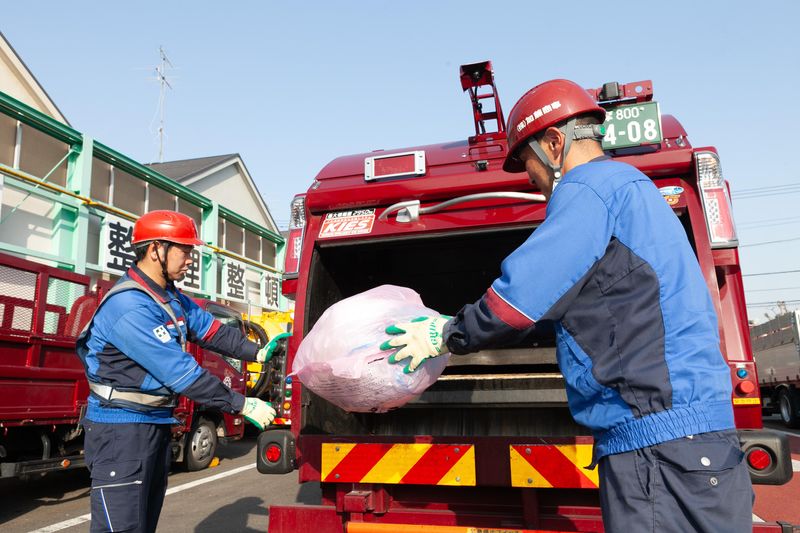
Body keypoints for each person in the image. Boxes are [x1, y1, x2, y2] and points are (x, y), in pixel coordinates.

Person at [381, 80, 753, 532]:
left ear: (555, 143)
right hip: (692, 440)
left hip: (659, 447)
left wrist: (444, 334)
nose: (534, 183)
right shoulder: (633, 190)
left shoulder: (589, 189)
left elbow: (517, 302)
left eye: (529, 166)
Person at [76, 210, 278, 533]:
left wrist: (258, 351)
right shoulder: (129, 306)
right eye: (185, 250)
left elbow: (212, 331)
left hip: (153, 426)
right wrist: (242, 404)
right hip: (121, 433)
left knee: (143, 525)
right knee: (123, 528)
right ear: (156, 249)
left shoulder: (170, 298)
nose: (190, 259)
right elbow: (183, 374)